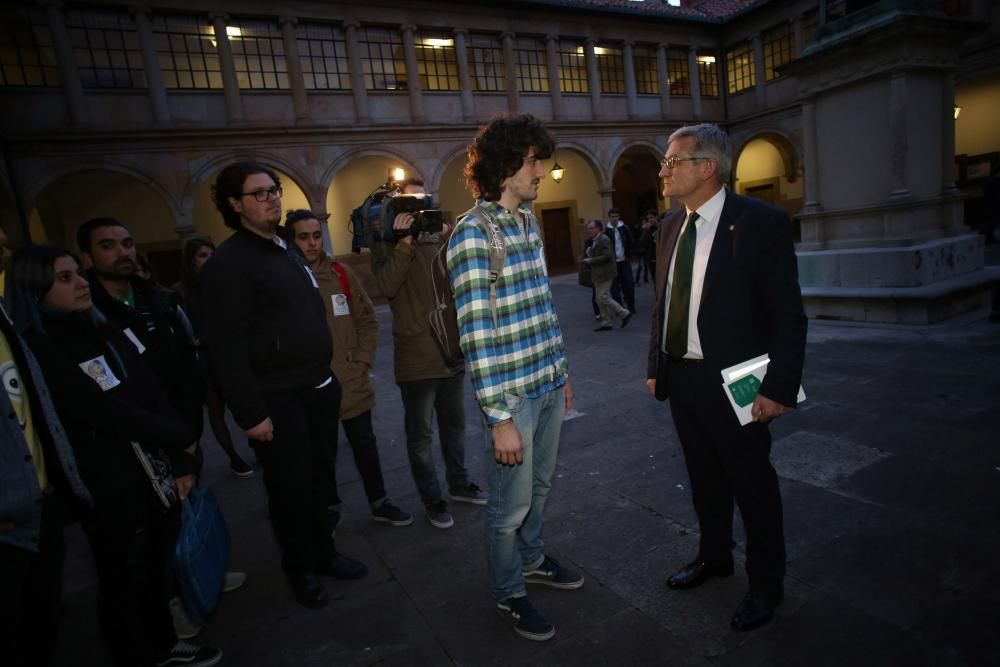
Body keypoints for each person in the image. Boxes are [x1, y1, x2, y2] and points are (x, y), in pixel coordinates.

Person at [4, 245, 221, 667]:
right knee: (124, 576)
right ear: (34, 290)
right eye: (64, 279)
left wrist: (179, 451)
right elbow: (102, 408)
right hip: (108, 484)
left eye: (77, 274)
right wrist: (179, 435)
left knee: (153, 566)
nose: (81, 283)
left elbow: (146, 387)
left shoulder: (101, 325)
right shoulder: (44, 347)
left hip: (150, 469)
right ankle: (137, 653)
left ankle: (162, 644)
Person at [645, 123, 807, 632]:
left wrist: (778, 387)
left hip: (738, 380)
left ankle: (766, 584)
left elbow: (787, 315)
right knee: (704, 479)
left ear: (707, 168)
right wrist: (656, 365)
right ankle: (715, 557)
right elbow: (664, 303)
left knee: (752, 484)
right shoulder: (672, 226)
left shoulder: (760, 223)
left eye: (673, 162)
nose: (663, 171)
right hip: (683, 380)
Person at [199, 161, 367, 610]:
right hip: (277, 397)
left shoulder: (285, 250)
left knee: (319, 481)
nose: (271, 197)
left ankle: (325, 553)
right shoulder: (229, 263)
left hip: (316, 387)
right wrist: (251, 414)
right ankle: (302, 570)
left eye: (274, 189)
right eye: (258, 193)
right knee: (290, 490)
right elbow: (226, 348)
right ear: (234, 205)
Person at [448, 113, 581, 642]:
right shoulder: (474, 234)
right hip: (513, 397)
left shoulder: (527, 221)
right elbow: (477, 335)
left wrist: (562, 372)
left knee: (540, 489)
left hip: (546, 383)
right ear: (505, 167)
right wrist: (499, 417)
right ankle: (508, 591)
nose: (541, 172)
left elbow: (542, 306)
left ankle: (532, 560)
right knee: (508, 507)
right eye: (532, 162)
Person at [370, 177, 487, 529]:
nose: (417, 212)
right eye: (409, 206)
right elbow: (387, 287)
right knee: (420, 436)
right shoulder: (386, 244)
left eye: (422, 204)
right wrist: (404, 243)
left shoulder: (439, 237)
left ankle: (459, 483)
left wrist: (451, 241)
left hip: (450, 348)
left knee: (455, 427)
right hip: (417, 355)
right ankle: (432, 498)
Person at [283, 209, 412, 528]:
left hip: (351, 379)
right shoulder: (284, 280)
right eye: (303, 237)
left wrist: (363, 360)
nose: (312, 243)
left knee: (365, 446)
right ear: (291, 240)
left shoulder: (340, 273)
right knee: (322, 455)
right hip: (312, 386)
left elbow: (367, 320)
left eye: (316, 236)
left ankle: (379, 502)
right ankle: (329, 507)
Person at [0, 228, 93, 667]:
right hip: (9, 521)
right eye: (64, 276)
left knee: (42, 631)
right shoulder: (32, 332)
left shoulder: (8, 325)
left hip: (42, 504)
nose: (5, 247)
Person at [173, 237, 254, 479]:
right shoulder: (180, 293)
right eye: (202, 255)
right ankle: (234, 458)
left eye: (211, 254)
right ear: (191, 260)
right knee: (216, 412)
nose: (208, 260)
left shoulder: (224, 285)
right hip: (205, 360)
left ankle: (259, 444)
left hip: (229, 354)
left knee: (245, 402)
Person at [583, 220, 631, 331]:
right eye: (588, 228)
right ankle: (606, 322)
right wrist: (590, 252)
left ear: (598, 228)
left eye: (591, 228)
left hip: (605, 273)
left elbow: (607, 256)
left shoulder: (604, 239)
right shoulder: (594, 240)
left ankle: (624, 313)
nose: (588, 230)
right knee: (599, 298)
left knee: (602, 297)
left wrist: (591, 260)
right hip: (598, 273)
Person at [605, 207, 636, 313]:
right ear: (609, 217)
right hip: (612, 264)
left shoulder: (624, 228)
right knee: (614, 288)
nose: (615, 219)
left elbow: (631, 241)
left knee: (629, 284)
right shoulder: (606, 231)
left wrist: (629, 255)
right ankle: (620, 309)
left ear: (619, 217)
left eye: (616, 216)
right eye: (612, 217)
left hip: (624, 261)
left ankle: (631, 305)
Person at [635, 209, 658, 285]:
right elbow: (641, 243)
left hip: (662, 258)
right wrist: (645, 231)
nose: (650, 220)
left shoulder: (662, 227)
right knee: (656, 282)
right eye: (648, 219)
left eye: (651, 217)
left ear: (656, 217)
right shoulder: (647, 230)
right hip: (652, 259)